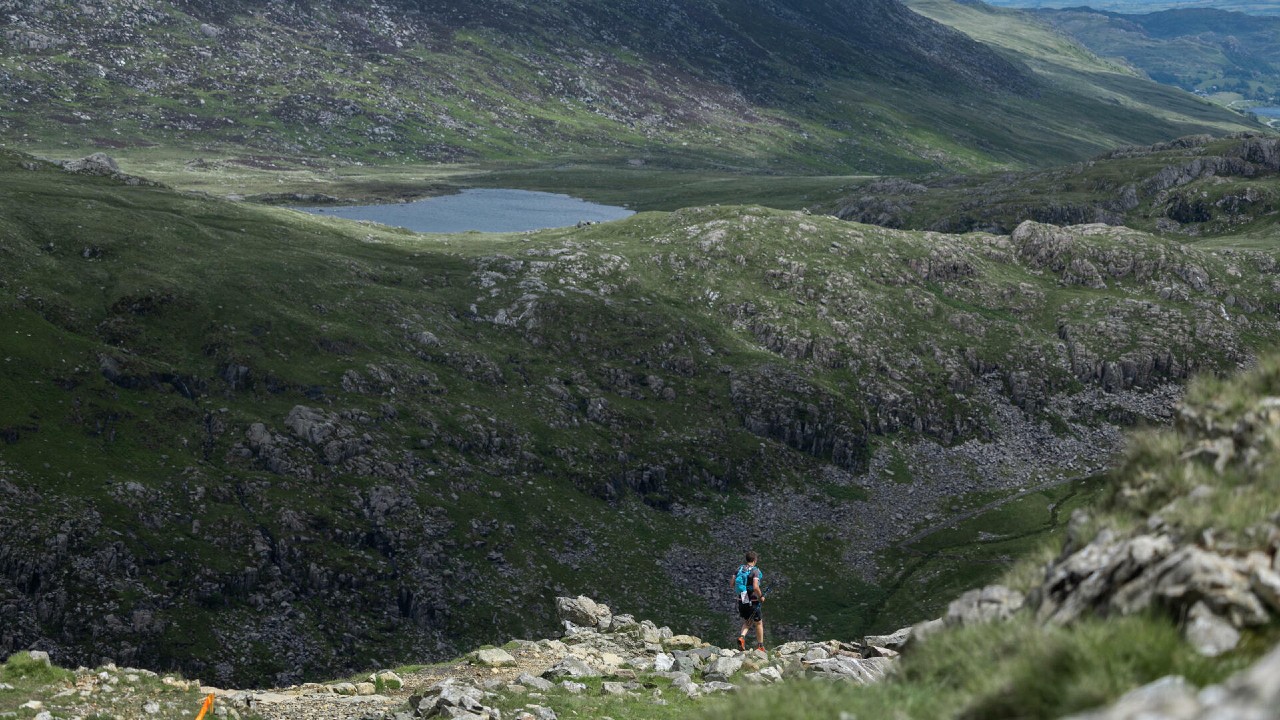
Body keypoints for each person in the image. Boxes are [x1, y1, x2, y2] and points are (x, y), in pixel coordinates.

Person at [733, 551, 765, 651]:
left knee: (748, 621)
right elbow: (756, 587)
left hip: (742, 599)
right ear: (755, 560)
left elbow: (731, 584)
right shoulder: (755, 571)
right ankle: (760, 646)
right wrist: (761, 596)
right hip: (753, 600)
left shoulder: (739, 569)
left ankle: (741, 637)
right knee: (758, 623)